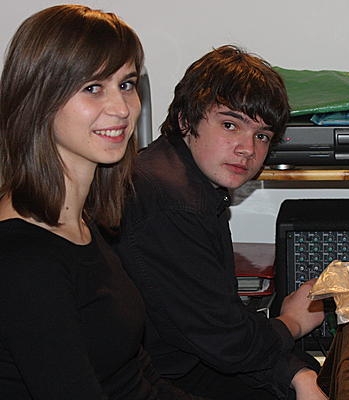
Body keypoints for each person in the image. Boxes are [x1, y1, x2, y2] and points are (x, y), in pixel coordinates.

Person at [0, 5, 204, 399]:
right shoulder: (22, 259)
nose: (122, 109)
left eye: (126, 84)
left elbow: (135, 376)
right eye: (93, 87)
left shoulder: (81, 223)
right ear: (38, 99)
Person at [115, 45, 327, 400]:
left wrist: (295, 371)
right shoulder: (173, 203)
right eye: (230, 125)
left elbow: (220, 322)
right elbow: (227, 344)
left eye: (262, 136)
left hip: (187, 362)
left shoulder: (183, 180)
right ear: (185, 120)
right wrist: (292, 322)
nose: (248, 149)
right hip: (156, 381)